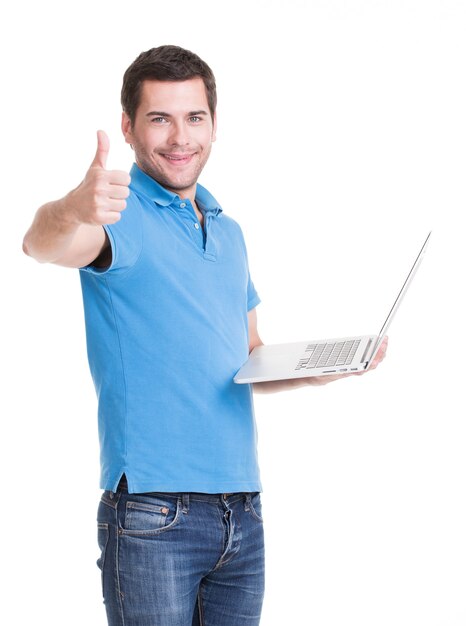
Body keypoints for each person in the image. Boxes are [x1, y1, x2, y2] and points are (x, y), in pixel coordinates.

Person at [22, 45, 387, 626]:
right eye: (159, 118)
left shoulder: (229, 231)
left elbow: (246, 356)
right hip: (152, 510)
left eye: (194, 117)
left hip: (241, 510)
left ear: (214, 124)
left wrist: (313, 369)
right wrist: (69, 207)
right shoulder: (117, 216)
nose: (179, 137)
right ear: (128, 126)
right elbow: (41, 245)